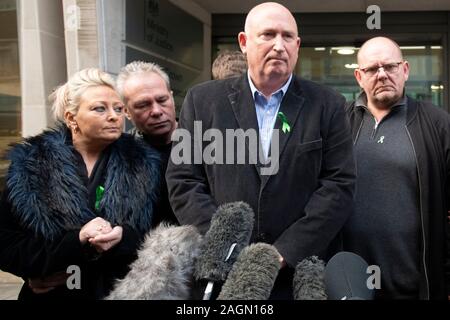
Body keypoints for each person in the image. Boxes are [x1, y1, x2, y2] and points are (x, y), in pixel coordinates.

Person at [166, 2, 355, 299]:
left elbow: (338, 185)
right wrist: (229, 245)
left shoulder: (328, 104)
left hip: (298, 273)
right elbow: (183, 180)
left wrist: (283, 253)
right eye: (268, 35)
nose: (279, 45)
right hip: (225, 274)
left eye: (288, 37)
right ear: (244, 42)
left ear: (297, 45)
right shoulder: (203, 101)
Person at [0, 68, 160, 299]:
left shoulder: (145, 164)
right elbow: (7, 243)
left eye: (118, 109)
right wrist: (73, 243)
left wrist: (124, 238)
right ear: (71, 117)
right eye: (99, 108)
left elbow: (160, 234)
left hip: (120, 291)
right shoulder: (31, 165)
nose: (114, 116)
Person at [343, 36, 450, 300]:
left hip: (416, 283)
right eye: (372, 69)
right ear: (359, 76)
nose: (382, 75)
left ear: (405, 70)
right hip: (348, 281)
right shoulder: (339, 124)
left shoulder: (437, 124)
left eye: (390, 66)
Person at [117, 61, 178, 227]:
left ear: (172, 97)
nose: (157, 111)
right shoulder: (118, 156)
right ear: (126, 112)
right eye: (143, 105)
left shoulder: (205, 143)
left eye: (162, 100)